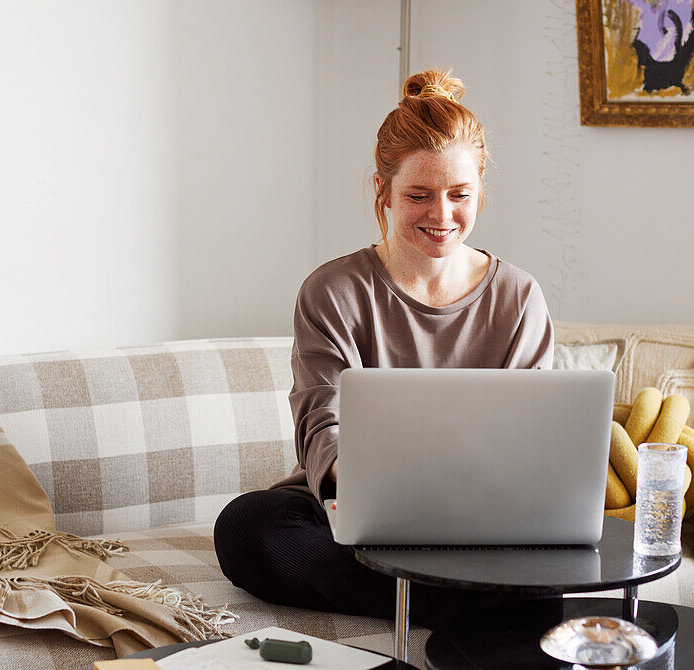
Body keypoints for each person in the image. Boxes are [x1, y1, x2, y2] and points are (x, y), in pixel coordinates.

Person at [213, 68, 555, 623]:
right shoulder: (334, 290)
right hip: (357, 503)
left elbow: (532, 439)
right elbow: (321, 427)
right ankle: (466, 602)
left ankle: (446, 595)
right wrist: (392, 492)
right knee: (247, 528)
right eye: (419, 195)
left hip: (483, 515)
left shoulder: (519, 297)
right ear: (383, 191)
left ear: (481, 191)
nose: (442, 216)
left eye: (460, 195)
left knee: (544, 561)